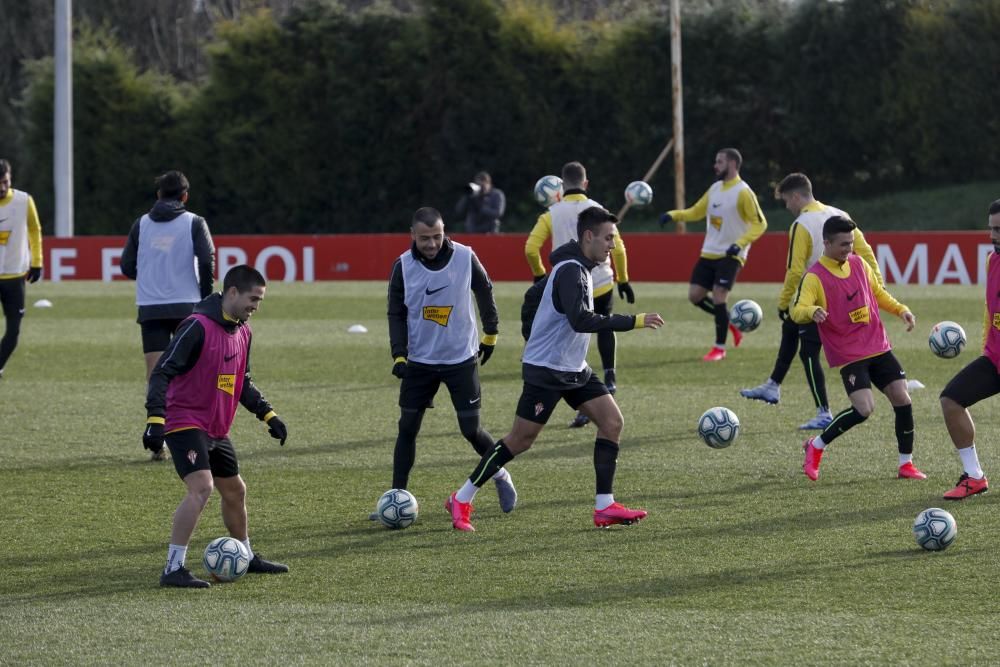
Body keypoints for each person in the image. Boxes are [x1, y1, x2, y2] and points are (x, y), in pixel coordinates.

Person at [446, 206, 664, 532]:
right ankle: (461, 498)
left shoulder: (579, 268)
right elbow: (580, 320)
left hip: (573, 367)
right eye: (608, 238)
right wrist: (634, 321)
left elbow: (533, 296)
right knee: (520, 440)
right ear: (588, 236)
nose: (612, 246)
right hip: (547, 369)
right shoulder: (571, 271)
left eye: (614, 240)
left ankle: (605, 506)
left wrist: (531, 328)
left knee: (612, 421)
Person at [144, 264, 289, 587]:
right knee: (202, 487)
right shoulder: (196, 326)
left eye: (260, 301)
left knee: (236, 491)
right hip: (184, 422)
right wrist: (155, 418)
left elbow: (243, 383)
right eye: (253, 299)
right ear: (232, 292)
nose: (256, 306)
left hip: (216, 429)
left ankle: (246, 556)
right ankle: (172, 568)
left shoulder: (243, 332)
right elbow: (162, 372)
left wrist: (269, 415)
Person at [386, 206, 516, 511]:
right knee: (407, 428)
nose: (431, 244)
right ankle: (395, 498)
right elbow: (396, 312)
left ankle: (501, 475)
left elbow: (484, 290)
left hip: (461, 359)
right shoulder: (402, 266)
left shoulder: (464, 256)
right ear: (412, 236)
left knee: (471, 430)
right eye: (424, 239)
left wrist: (492, 333)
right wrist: (399, 354)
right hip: (420, 362)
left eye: (436, 236)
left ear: (444, 232)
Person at [740, 173, 884, 430]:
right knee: (790, 330)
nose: (787, 207)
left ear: (796, 196)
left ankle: (823, 412)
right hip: (842, 296)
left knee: (808, 352)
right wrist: (878, 285)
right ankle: (772, 386)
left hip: (817, 299)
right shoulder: (839, 213)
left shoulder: (802, 224)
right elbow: (865, 252)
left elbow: (795, 270)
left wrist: (784, 303)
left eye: (786, 201)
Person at [790, 216, 925, 482]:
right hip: (850, 354)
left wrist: (901, 310)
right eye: (842, 245)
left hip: (878, 346)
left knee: (902, 398)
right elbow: (796, 311)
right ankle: (816, 446)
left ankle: (905, 464)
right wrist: (811, 310)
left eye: (851, 243)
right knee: (864, 409)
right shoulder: (814, 277)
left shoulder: (859, 263)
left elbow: (878, 294)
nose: (848, 249)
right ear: (826, 243)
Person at [525, 161, 634, 428]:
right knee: (605, 324)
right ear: (586, 184)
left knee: (575, 334)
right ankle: (609, 377)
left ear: (561, 186)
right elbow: (618, 248)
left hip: (568, 284)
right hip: (602, 280)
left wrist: (541, 275)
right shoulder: (600, 212)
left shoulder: (552, 212)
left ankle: (584, 393)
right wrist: (623, 279)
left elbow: (530, 248)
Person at [121, 170, 215, 461]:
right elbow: (207, 259)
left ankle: (157, 439)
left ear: (158, 195)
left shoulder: (141, 224)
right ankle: (201, 435)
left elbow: (126, 266)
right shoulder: (195, 222)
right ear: (185, 196)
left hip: (151, 309)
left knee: (156, 374)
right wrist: (205, 298)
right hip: (188, 307)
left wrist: (150, 276)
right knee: (193, 372)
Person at [660, 148, 767, 361]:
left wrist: (740, 244)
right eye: (716, 161)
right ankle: (730, 323)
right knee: (695, 296)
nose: (715, 165)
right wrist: (672, 215)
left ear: (733, 164)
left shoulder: (744, 192)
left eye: (719, 162)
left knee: (719, 295)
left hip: (731, 254)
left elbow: (760, 224)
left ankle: (719, 348)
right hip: (709, 252)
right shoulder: (715, 188)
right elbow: (696, 212)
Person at [938, 199, 1000, 500]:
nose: (993, 235)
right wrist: (988, 348)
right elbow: (991, 309)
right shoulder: (992, 260)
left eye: (999, 229)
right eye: (991, 229)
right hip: (995, 358)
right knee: (951, 399)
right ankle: (974, 476)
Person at [0, 159, 43, 381]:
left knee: (14, 331)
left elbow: (35, 230)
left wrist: (37, 261)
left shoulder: (23, 200)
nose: (2, 187)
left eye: (5, 181)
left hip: (15, 275)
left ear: (10, 178)